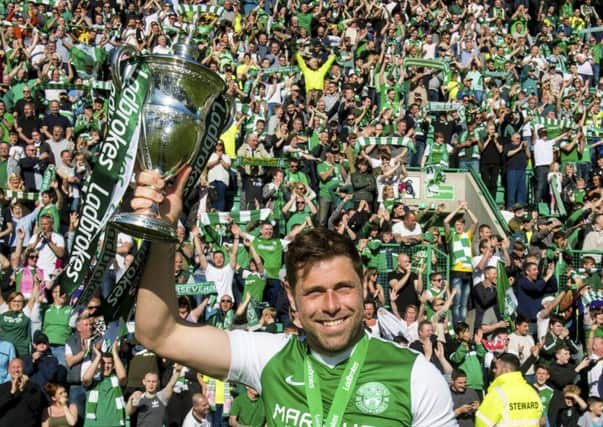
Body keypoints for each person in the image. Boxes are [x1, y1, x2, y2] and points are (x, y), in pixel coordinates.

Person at [132, 169, 457, 426]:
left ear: (364, 285)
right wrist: (164, 227)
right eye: (314, 292)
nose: (331, 306)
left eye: (343, 288)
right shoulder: (269, 357)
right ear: (291, 296)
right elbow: (158, 333)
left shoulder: (417, 377)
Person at [475, 353, 542, 427]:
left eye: (496, 367)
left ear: (506, 370)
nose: (494, 370)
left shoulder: (497, 393)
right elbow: (538, 418)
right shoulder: (532, 392)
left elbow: (481, 423)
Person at [0, 357, 47, 426]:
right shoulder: (2, 387)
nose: (16, 370)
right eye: (13, 367)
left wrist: (23, 389)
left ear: (24, 369)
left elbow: (36, 407)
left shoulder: (34, 387)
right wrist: (11, 392)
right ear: (9, 370)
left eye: (19, 367)